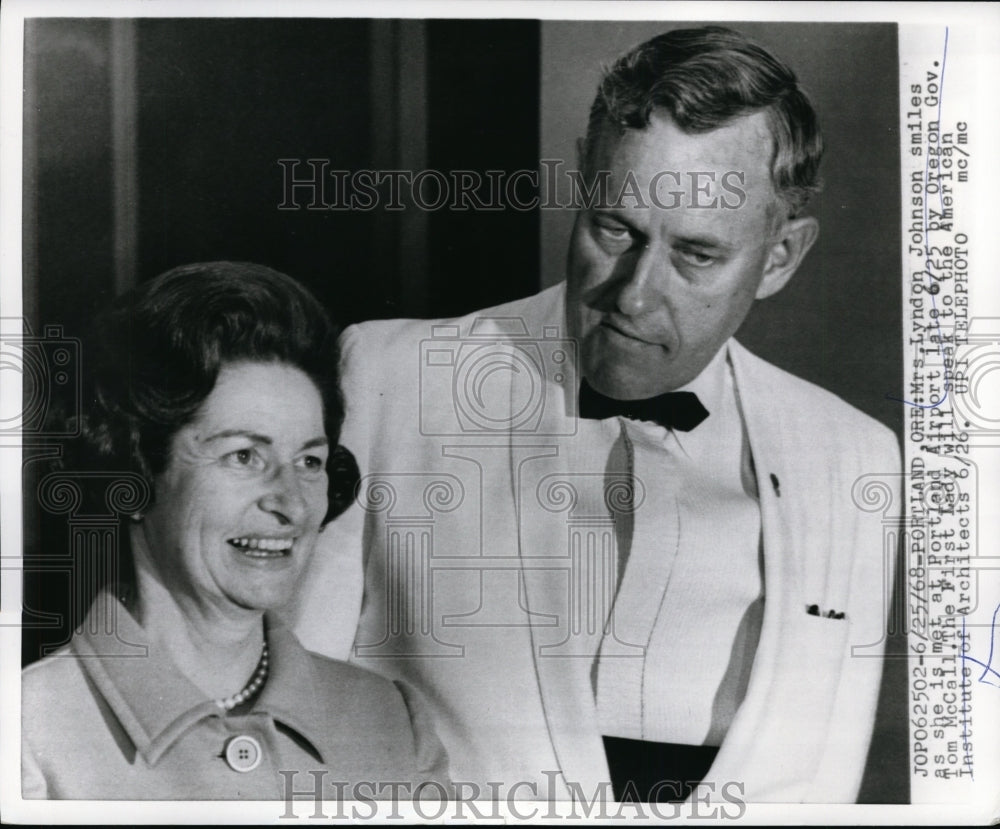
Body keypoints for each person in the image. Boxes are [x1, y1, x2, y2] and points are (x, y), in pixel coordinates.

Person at [292, 26, 901, 804]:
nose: (635, 294)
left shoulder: (854, 456)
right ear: (581, 177)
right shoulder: (390, 378)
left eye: (696, 255)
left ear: (780, 257)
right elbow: (293, 723)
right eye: (614, 228)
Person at [21, 262, 450, 800]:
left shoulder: (391, 723)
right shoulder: (26, 735)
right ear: (130, 473)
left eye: (310, 462)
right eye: (244, 455)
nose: (290, 503)